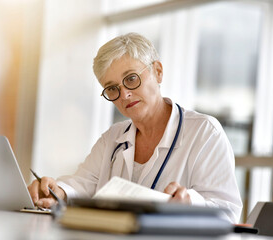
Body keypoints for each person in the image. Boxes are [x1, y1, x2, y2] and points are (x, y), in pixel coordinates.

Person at [28, 32, 243, 223]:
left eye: (131, 78)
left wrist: (191, 204)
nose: (124, 95)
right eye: (112, 88)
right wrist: (58, 192)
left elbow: (228, 213)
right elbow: (81, 184)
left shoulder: (204, 133)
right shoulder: (112, 138)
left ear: (157, 71)